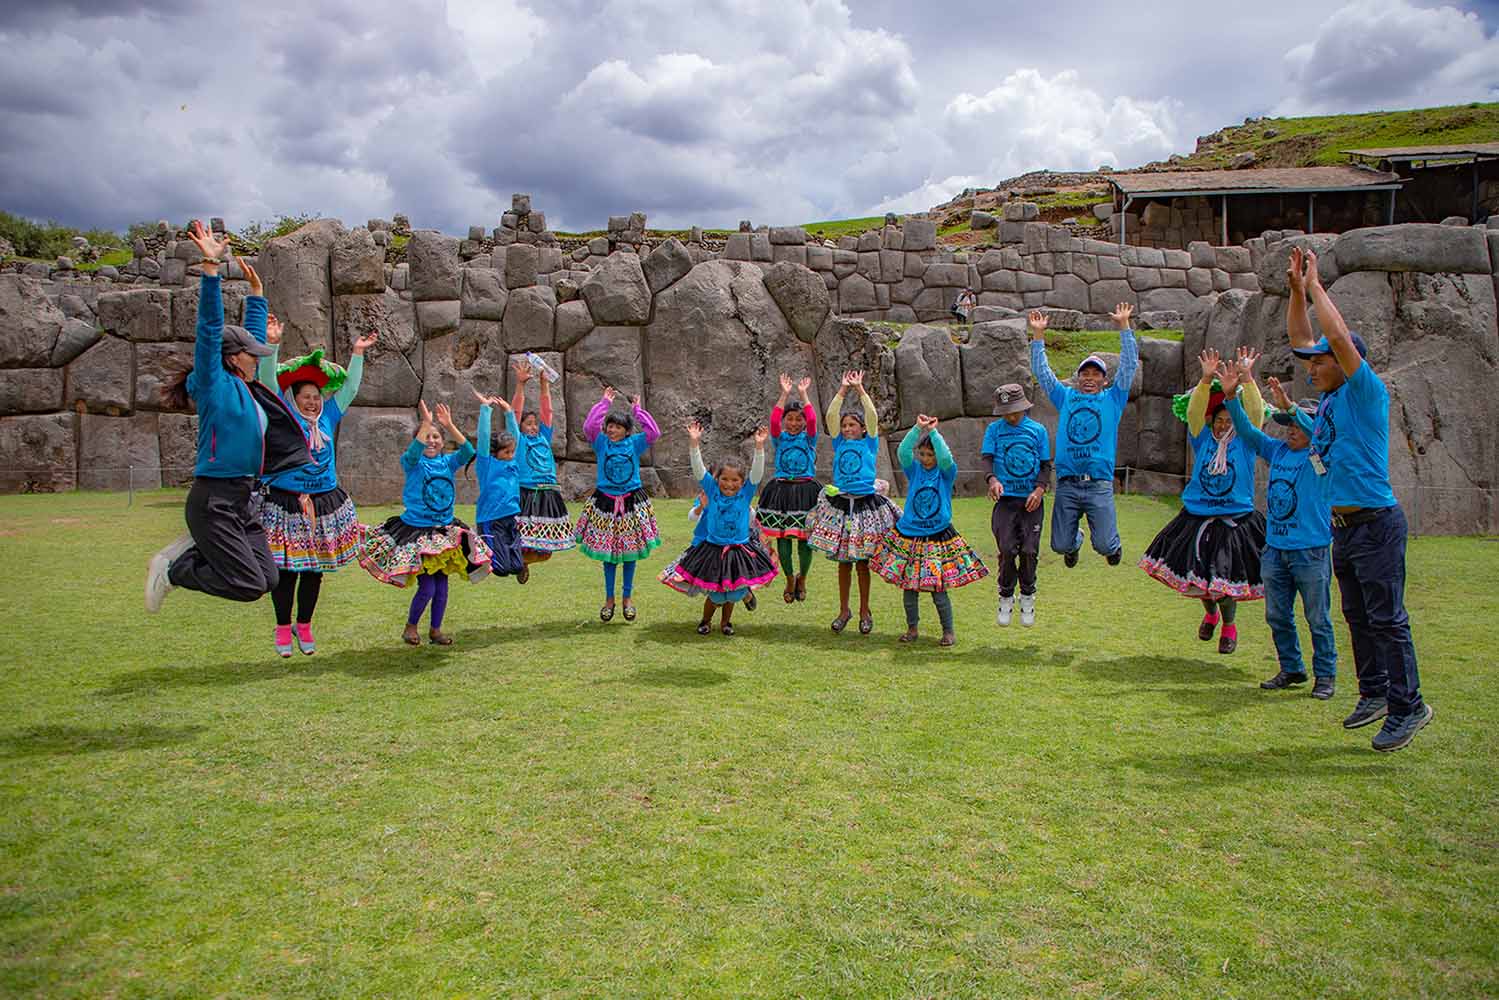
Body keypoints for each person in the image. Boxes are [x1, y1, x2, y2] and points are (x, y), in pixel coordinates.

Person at [1287, 247, 1430, 751]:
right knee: (1359, 617)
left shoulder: (1366, 392)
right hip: (1342, 528)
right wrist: (1294, 293)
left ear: (1348, 363)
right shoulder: (1327, 402)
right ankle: (1374, 693)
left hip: (1376, 523)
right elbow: (1302, 339)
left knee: (1388, 619)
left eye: (1322, 362)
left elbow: (1339, 340)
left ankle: (1408, 705)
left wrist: (1317, 288)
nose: (1312, 367)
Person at [145, 221, 311, 612]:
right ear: (234, 359)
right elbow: (210, 330)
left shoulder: (247, 386)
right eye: (252, 354)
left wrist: (257, 296)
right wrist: (209, 267)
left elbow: (247, 337)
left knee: (268, 579)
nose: (258, 358)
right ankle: (174, 570)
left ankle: (197, 548)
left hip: (245, 497)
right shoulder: (213, 384)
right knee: (248, 584)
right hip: (215, 497)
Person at [253, 318, 376, 656]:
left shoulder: (328, 417)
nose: (311, 402)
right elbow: (265, 381)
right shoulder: (282, 415)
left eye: (315, 397)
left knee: (314, 569)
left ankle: (304, 625)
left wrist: (357, 354)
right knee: (287, 569)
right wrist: (272, 345)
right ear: (293, 399)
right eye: (305, 397)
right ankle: (282, 627)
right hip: (286, 501)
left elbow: (349, 388)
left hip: (324, 501)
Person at [1139, 347, 1267, 654]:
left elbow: (1255, 413)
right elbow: (1195, 413)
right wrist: (1206, 379)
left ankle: (1229, 626)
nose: (1223, 425)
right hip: (1196, 518)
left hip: (1234, 522)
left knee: (1223, 581)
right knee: (1200, 581)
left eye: (1228, 420)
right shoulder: (1202, 438)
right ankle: (1209, 614)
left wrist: (1247, 380)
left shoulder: (1248, 442)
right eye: (1219, 420)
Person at [1223, 367, 1337, 698]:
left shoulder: (1321, 455)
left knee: (1318, 618)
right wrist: (1232, 398)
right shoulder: (1280, 451)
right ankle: (1292, 668)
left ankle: (1326, 676)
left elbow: (1318, 432)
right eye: (1286, 426)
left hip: (1310, 550)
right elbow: (1248, 433)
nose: (1290, 431)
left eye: (1295, 426)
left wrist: (1290, 407)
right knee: (1276, 615)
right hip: (1275, 549)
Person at [358, 401, 494, 645]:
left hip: (444, 532)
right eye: (427, 437)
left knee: (442, 588)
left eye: (436, 437)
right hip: (417, 533)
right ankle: (411, 627)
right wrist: (427, 423)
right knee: (428, 587)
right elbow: (414, 450)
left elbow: (467, 451)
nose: (431, 441)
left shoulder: (448, 463)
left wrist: (448, 425)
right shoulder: (413, 463)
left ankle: (435, 630)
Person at [1028, 304, 1138, 567]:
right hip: (1067, 483)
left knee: (1104, 545)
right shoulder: (1065, 397)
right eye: (1084, 374)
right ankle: (1074, 541)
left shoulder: (1114, 398)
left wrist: (1124, 326)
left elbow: (1129, 366)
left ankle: (1113, 544)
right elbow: (1043, 374)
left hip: (1099, 483)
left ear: (1103, 379)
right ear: (1077, 379)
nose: (1089, 378)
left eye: (1095, 374)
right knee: (1060, 545)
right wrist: (1038, 336)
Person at [871, 416, 988, 647]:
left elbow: (946, 458)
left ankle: (948, 631)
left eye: (930, 455)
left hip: (936, 535)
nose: (926, 459)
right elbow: (903, 451)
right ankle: (912, 628)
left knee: (937, 587)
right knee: (909, 586)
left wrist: (934, 433)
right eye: (923, 454)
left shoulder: (946, 473)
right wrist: (916, 428)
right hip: (910, 534)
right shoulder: (914, 470)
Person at [659, 420, 777, 635]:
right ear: (717, 479)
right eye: (724, 479)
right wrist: (694, 443)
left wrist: (759, 447)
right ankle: (705, 620)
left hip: (739, 550)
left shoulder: (745, 493)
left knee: (732, 591)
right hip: (713, 550)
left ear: (742, 483)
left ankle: (726, 622)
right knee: (715, 594)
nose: (729, 484)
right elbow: (698, 469)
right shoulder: (712, 491)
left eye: (734, 480)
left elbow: (757, 474)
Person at [808, 370, 900, 634]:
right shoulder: (838, 443)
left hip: (864, 506)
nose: (847, 429)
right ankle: (844, 610)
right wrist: (841, 390)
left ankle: (864, 611)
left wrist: (859, 390)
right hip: (842, 505)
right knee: (843, 563)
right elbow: (830, 416)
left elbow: (872, 415)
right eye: (845, 425)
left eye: (852, 425)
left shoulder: (869, 444)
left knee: (862, 563)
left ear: (861, 429)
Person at [575, 387, 662, 622]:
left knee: (630, 555)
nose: (612, 430)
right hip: (605, 503)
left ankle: (627, 599)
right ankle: (609, 600)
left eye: (617, 427)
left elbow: (654, 433)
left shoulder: (634, 444)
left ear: (626, 431)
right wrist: (604, 403)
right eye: (610, 426)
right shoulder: (601, 443)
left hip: (632, 502)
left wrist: (637, 410)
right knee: (609, 556)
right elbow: (589, 428)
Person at [981, 383, 1052, 627]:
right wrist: (992, 480)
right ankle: (1005, 596)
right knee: (1008, 549)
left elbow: (1045, 465)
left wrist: (1040, 489)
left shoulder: (1037, 430)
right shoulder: (994, 430)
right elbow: (987, 459)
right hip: (1005, 502)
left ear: (1024, 408)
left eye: (1014, 411)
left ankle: (1028, 595)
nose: (1010, 416)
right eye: (1005, 412)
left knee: (1029, 551)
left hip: (1031, 501)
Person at [756, 372, 821, 603]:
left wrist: (803, 394)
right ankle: (789, 578)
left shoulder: (809, 438)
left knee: (805, 539)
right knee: (782, 539)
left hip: (805, 491)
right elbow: (773, 421)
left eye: (798, 419)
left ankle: (802, 577)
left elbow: (813, 420)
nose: (794, 423)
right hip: (781, 491)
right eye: (790, 419)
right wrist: (784, 393)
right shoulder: (779, 438)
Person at [508, 359, 574, 564]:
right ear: (520, 427)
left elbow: (548, 413)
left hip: (549, 491)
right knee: (526, 539)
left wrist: (544, 384)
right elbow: (514, 414)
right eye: (528, 424)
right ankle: (520, 562)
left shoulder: (544, 437)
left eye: (535, 424)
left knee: (546, 551)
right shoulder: (519, 441)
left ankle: (526, 562)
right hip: (528, 491)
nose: (534, 427)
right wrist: (520, 385)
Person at [470, 390, 526, 583]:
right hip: (491, 519)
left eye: (512, 452)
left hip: (511, 517)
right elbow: (484, 438)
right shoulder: (487, 464)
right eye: (506, 452)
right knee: (501, 569)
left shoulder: (514, 463)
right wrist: (486, 409)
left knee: (517, 566)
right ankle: (474, 553)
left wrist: (509, 412)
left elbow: (516, 438)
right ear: (496, 452)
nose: (511, 455)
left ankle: (517, 561)